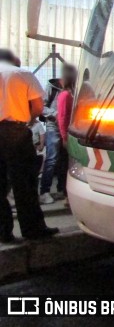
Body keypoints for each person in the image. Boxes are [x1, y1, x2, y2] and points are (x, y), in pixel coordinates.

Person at [0, 48, 58, 242]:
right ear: (13, 60)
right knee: (24, 183)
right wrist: (28, 121)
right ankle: (32, 230)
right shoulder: (22, 74)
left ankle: (3, 232)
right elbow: (39, 107)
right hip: (16, 132)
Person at [56, 64, 77, 204]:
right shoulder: (65, 95)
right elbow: (62, 117)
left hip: (69, 134)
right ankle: (66, 194)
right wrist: (65, 137)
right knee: (66, 165)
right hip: (67, 136)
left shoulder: (69, 94)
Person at [39, 78, 62, 204]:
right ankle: (44, 191)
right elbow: (41, 107)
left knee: (64, 160)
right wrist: (56, 113)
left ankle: (61, 189)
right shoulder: (52, 88)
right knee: (52, 159)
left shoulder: (75, 87)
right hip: (53, 127)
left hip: (67, 128)